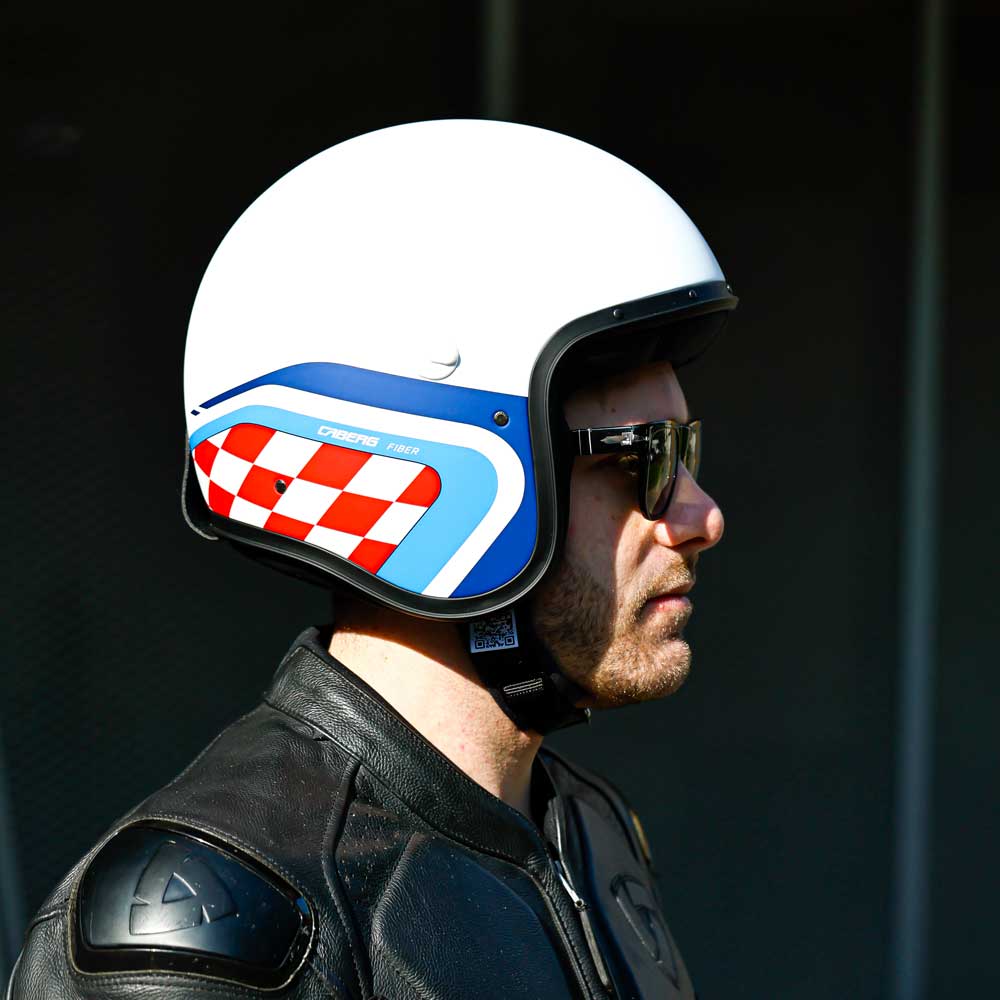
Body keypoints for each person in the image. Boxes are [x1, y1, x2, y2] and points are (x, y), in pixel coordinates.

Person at [7, 120, 735, 1000]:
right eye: (642, 456)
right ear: (433, 466)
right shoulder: (216, 934)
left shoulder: (587, 831)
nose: (701, 516)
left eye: (685, 449)